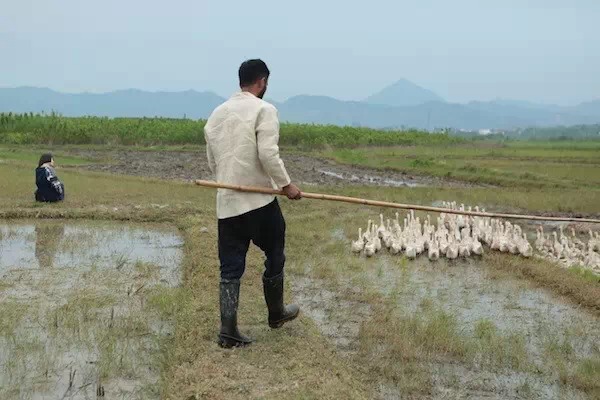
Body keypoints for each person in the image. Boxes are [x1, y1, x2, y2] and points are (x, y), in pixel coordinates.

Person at [204, 59, 302, 348]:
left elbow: (213, 163)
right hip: (259, 201)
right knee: (275, 251)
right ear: (262, 82)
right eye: (265, 84)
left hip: (227, 201)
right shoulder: (264, 109)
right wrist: (287, 185)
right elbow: (268, 154)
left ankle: (229, 332)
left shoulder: (216, 114)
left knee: (230, 268)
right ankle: (276, 313)